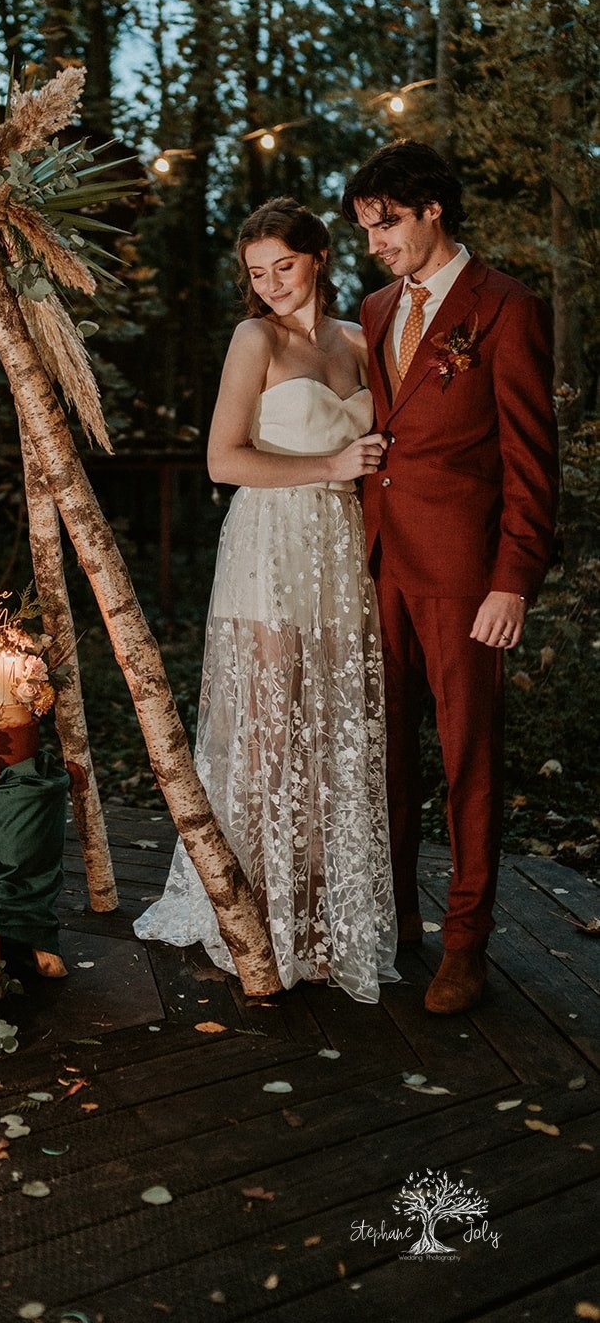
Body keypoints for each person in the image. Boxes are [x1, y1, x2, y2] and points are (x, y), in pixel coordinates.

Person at [135, 197, 399, 1003]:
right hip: (268, 544)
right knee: (268, 730)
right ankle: (248, 910)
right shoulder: (253, 339)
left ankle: (321, 908)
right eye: (257, 272)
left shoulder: (361, 340)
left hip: (339, 550)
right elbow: (222, 459)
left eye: (283, 265)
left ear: (317, 255)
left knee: (334, 726)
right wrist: (330, 467)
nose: (272, 283)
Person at [343, 140, 559, 1015]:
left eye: (385, 224)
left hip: (467, 576)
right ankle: (395, 921)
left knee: (468, 756)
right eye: (364, 229)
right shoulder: (374, 306)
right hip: (379, 563)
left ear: (432, 209)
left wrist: (512, 578)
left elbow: (530, 460)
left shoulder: (504, 306)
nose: (374, 244)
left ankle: (463, 944)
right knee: (384, 751)